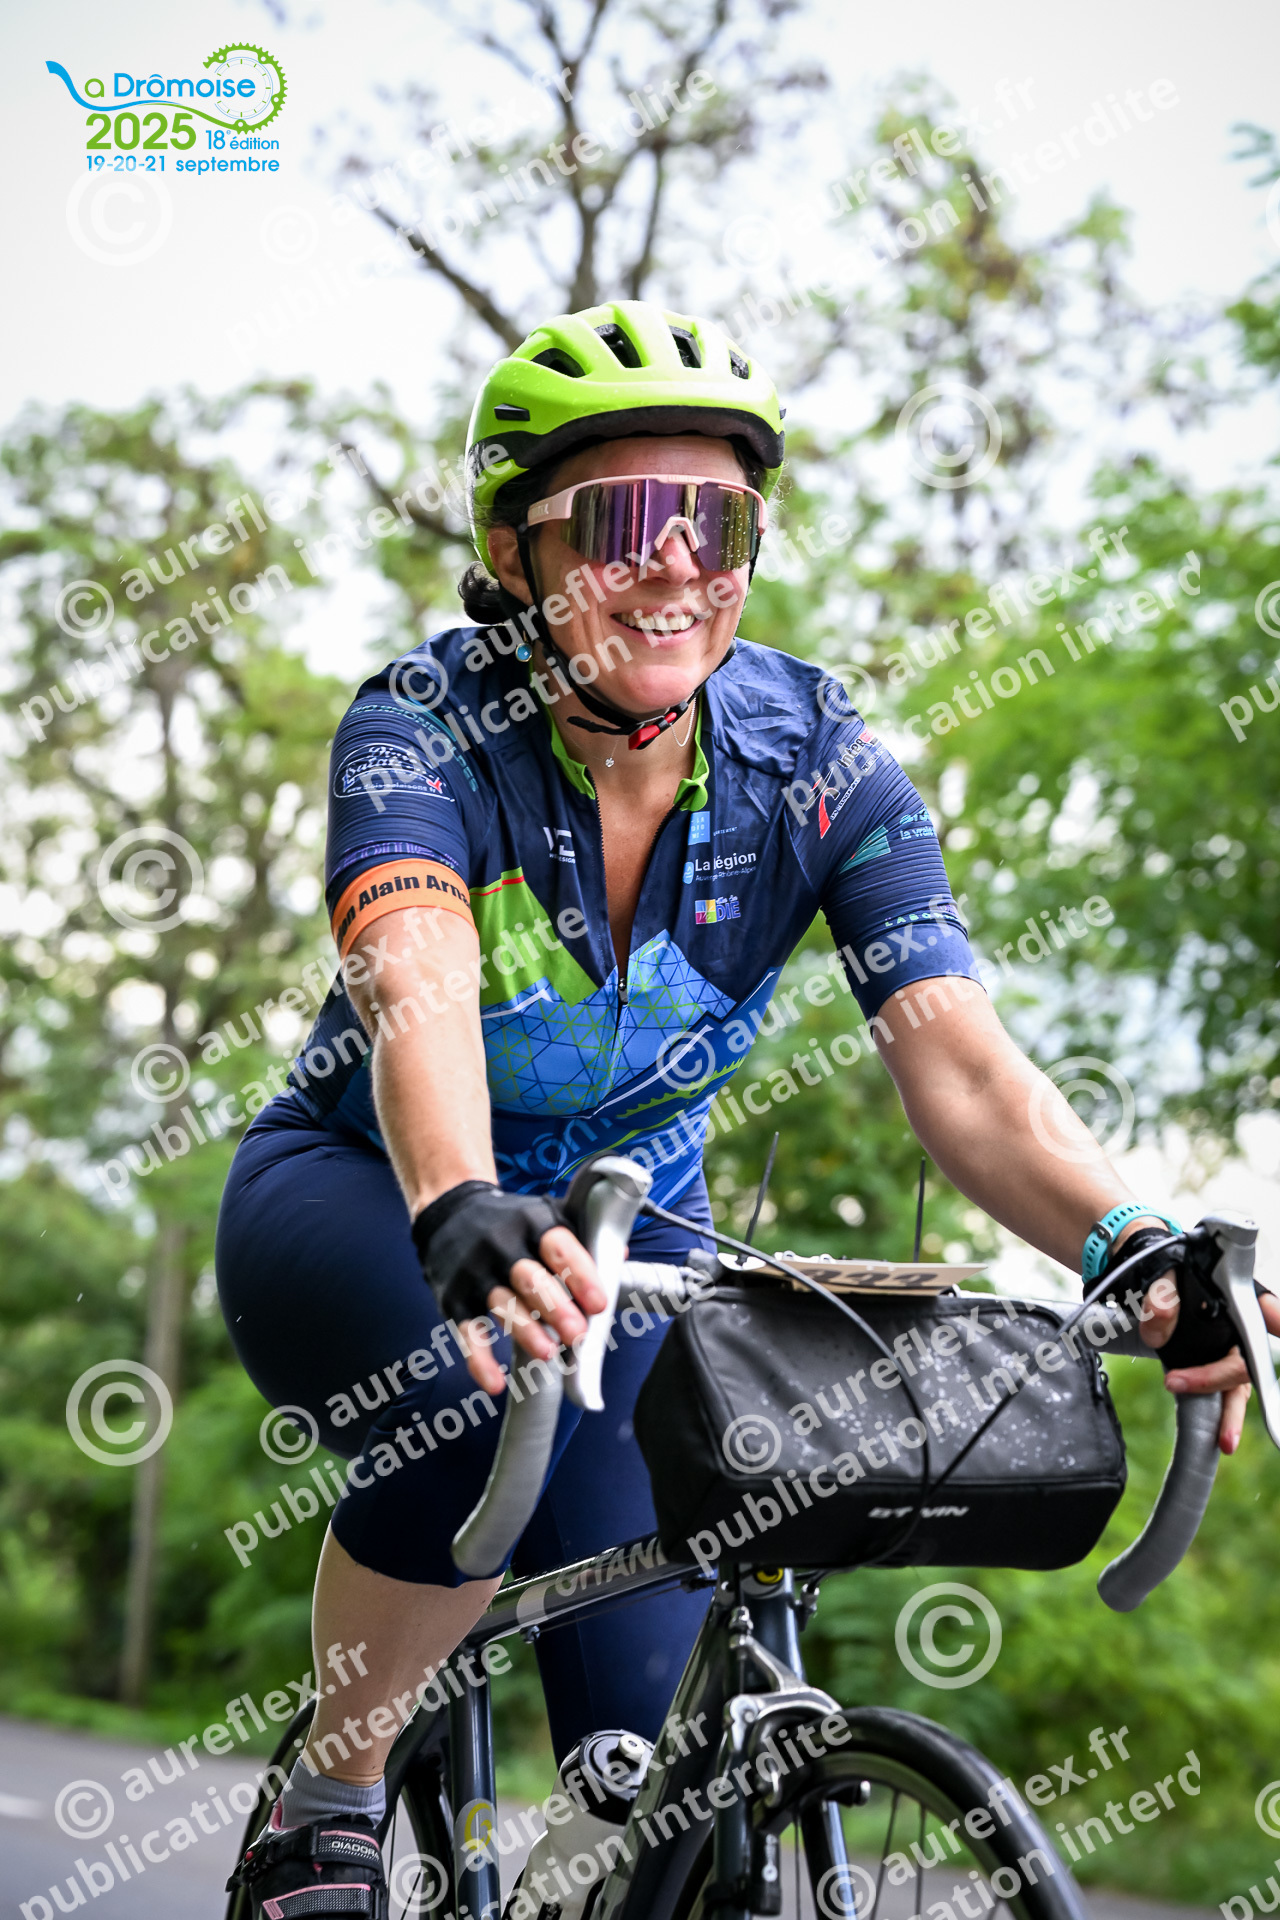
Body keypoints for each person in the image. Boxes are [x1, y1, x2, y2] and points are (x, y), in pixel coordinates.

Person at [218, 299, 1274, 1916]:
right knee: (461, 1396)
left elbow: (961, 1063)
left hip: (639, 1242)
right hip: (374, 1195)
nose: (677, 564)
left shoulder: (818, 758)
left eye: (718, 522)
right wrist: (457, 1200)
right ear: (513, 550)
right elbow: (414, 978)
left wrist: (1128, 1237)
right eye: (624, 520)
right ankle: (332, 1800)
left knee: (670, 1773)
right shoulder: (423, 729)